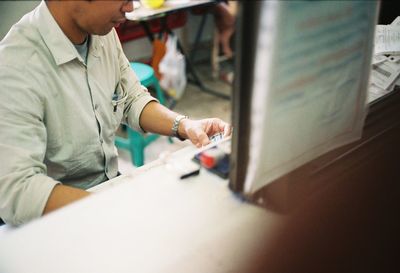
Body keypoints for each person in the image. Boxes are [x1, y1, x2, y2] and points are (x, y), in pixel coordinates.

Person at [0, 0, 231, 226]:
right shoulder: (15, 65)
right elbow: (18, 191)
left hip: (108, 188)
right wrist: (115, 211)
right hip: (58, 221)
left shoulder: (101, 32)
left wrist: (185, 125)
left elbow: (131, 97)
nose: (130, 7)